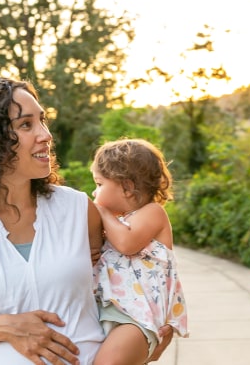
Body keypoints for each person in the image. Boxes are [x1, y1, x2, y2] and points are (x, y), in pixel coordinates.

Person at [0, 77, 172, 364]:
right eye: (26, 125)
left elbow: (125, 288)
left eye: (42, 121)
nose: (45, 134)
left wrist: (143, 340)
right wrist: (5, 327)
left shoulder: (79, 208)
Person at [91, 138, 188, 365]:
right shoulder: (118, 224)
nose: (94, 193)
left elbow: (127, 243)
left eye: (98, 184)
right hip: (110, 312)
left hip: (138, 319)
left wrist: (103, 214)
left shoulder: (153, 213)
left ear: (127, 187)